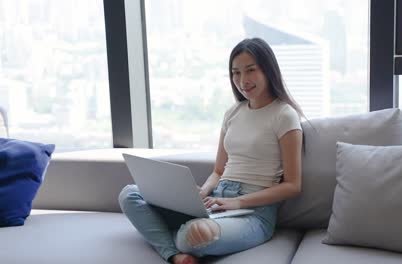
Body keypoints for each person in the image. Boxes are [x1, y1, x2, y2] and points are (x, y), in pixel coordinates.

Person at [118, 37, 304, 264]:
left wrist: (238, 202)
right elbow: (218, 170)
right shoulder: (233, 113)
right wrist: (203, 192)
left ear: (268, 70)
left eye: (250, 70)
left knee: (192, 235)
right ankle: (175, 255)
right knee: (130, 194)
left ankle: (172, 239)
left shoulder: (284, 115)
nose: (242, 80)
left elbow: (293, 186)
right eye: (236, 73)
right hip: (216, 202)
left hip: (254, 213)